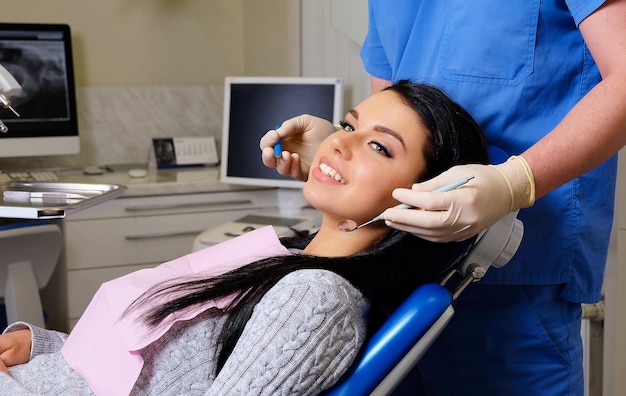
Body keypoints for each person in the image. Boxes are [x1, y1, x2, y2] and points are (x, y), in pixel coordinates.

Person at [0, 81, 488, 395]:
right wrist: (44, 347)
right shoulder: (291, 259)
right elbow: (163, 366)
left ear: (420, 203)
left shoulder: (314, 300)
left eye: (378, 146)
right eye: (348, 126)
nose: (336, 142)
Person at [260, 1, 626, 394]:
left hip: (513, 280)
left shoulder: (310, 301)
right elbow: (392, 107)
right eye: (348, 125)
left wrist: (516, 181)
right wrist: (342, 147)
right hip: (396, 275)